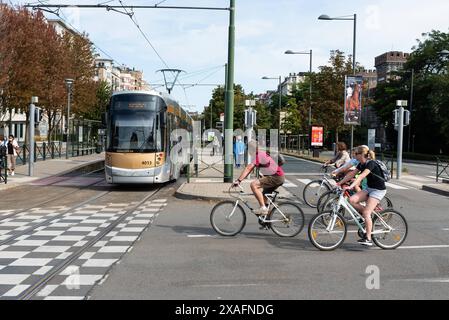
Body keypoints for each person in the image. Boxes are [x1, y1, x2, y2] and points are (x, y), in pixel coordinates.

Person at [337, 145, 386, 247]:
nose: (354, 155)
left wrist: (350, 186)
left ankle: (368, 238)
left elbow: (361, 176)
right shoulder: (361, 164)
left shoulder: (371, 163)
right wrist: (339, 183)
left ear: (362, 154)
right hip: (369, 188)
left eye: (356, 153)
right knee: (351, 200)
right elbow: (351, 174)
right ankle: (367, 214)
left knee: (367, 212)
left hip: (378, 190)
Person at [233, 140, 285, 216]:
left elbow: (248, 168)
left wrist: (239, 180)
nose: (248, 151)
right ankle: (267, 217)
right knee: (264, 196)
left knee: (253, 185)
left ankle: (263, 208)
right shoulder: (260, 154)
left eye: (248, 149)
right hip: (277, 177)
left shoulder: (259, 155)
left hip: (276, 177)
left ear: (251, 149)